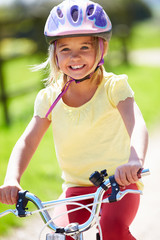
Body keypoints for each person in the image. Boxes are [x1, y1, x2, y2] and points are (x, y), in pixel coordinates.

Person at [0, 0, 148, 239]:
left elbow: (137, 125)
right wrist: (12, 178)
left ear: (103, 48)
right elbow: (27, 142)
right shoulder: (49, 98)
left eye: (85, 48)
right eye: (65, 49)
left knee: (113, 230)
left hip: (118, 185)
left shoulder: (113, 87)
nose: (75, 56)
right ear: (54, 53)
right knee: (61, 233)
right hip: (75, 189)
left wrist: (134, 160)